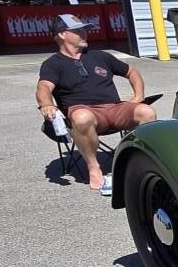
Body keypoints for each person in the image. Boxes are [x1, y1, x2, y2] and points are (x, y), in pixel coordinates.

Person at [36, 13, 156, 193]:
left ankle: (139, 162)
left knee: (146, 112)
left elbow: (132, 71)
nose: (84, 33)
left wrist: (138, 95)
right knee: (82, 117)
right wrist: (46, 104)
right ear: (62, 34)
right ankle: (94, 168)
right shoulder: (53, 64)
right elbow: (44, 87)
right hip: (83, 112)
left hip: (114, 108)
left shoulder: (100, 56)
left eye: (85, 30)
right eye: (78, 31)